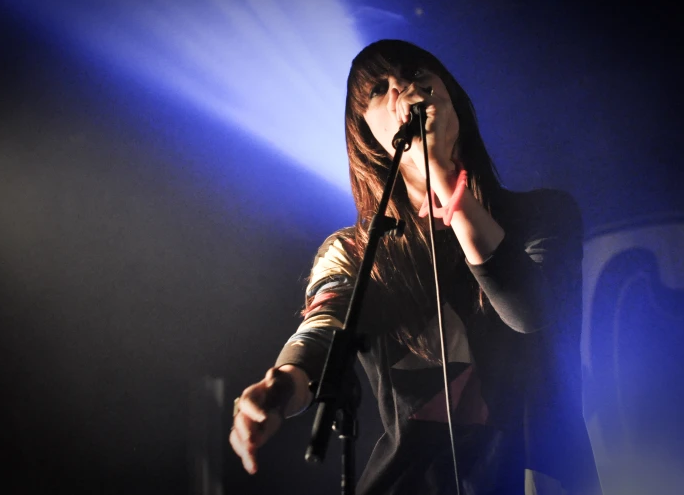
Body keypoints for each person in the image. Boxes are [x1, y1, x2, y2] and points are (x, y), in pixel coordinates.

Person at [229, 39, 601, 495]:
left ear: (450, 94)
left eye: (416, 72)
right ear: (366, 135)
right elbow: (323, 328)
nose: (405, 90)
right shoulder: (356, 251)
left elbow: (529, 312)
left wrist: (444, 177)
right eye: (380, 90)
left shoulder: (543, 216)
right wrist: (282, 385)